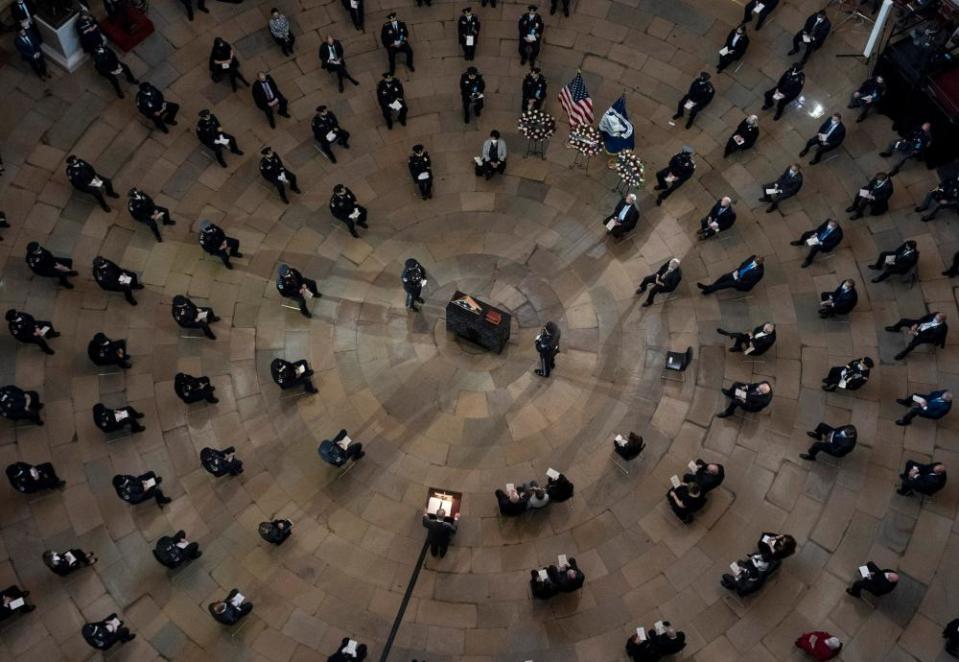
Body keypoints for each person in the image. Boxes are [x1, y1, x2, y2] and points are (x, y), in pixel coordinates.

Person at [697, 255, 764, 295]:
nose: (754, 261)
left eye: (756, 262)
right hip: (737, 273)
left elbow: (750, 282)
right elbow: (743, 263)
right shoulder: (753, 257)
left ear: (760, 263)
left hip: (740, 281)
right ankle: (710, 289)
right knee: (724, 277)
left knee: (725, 284)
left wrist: (739, 280)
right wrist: (738, 271)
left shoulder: (759, 272)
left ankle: (708, 288)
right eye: (755, 260)